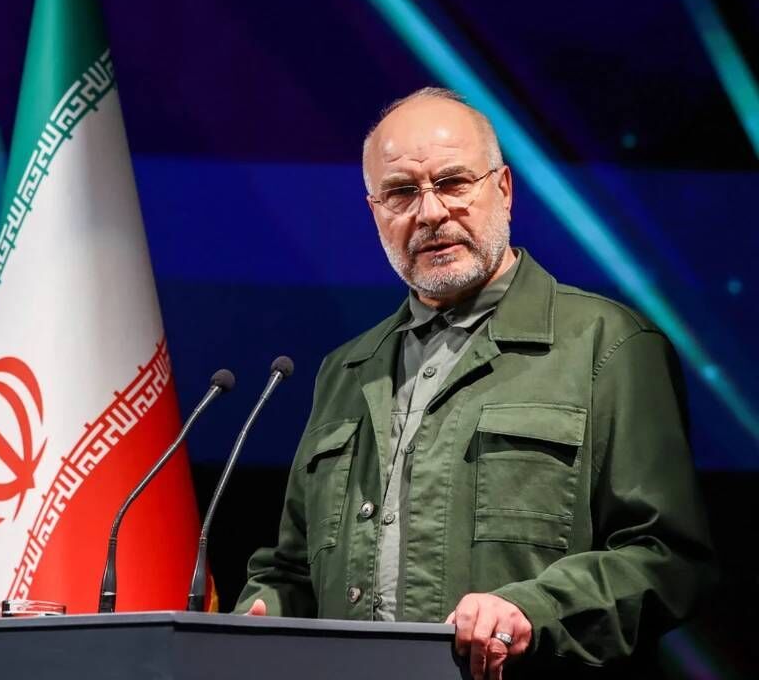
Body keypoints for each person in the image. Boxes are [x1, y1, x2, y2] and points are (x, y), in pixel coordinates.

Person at [235, 87, 715, 679]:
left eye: (453, 182)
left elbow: (667, 558)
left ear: (503, 189)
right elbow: (290, 571)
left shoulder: (608, 345)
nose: (430, 213)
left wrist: (533, 610)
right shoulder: (347, 369)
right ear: (375, 211)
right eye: (401, 193)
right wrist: (254, 620)